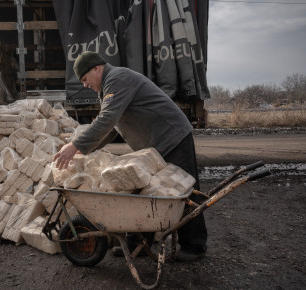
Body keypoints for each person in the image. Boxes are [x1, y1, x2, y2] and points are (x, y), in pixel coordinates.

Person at [53, 51, 207, 261]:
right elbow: (113, 129)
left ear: (96, 68)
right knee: (143, 190)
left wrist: (75, 145)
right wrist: (84, 150)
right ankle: (139, 244)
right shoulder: (109, 86)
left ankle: (194, 246)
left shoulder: (117, 79)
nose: (84, 85)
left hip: (172, 137)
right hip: (155, 144)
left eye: (85, 79)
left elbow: (107, 119)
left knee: (184, 191)